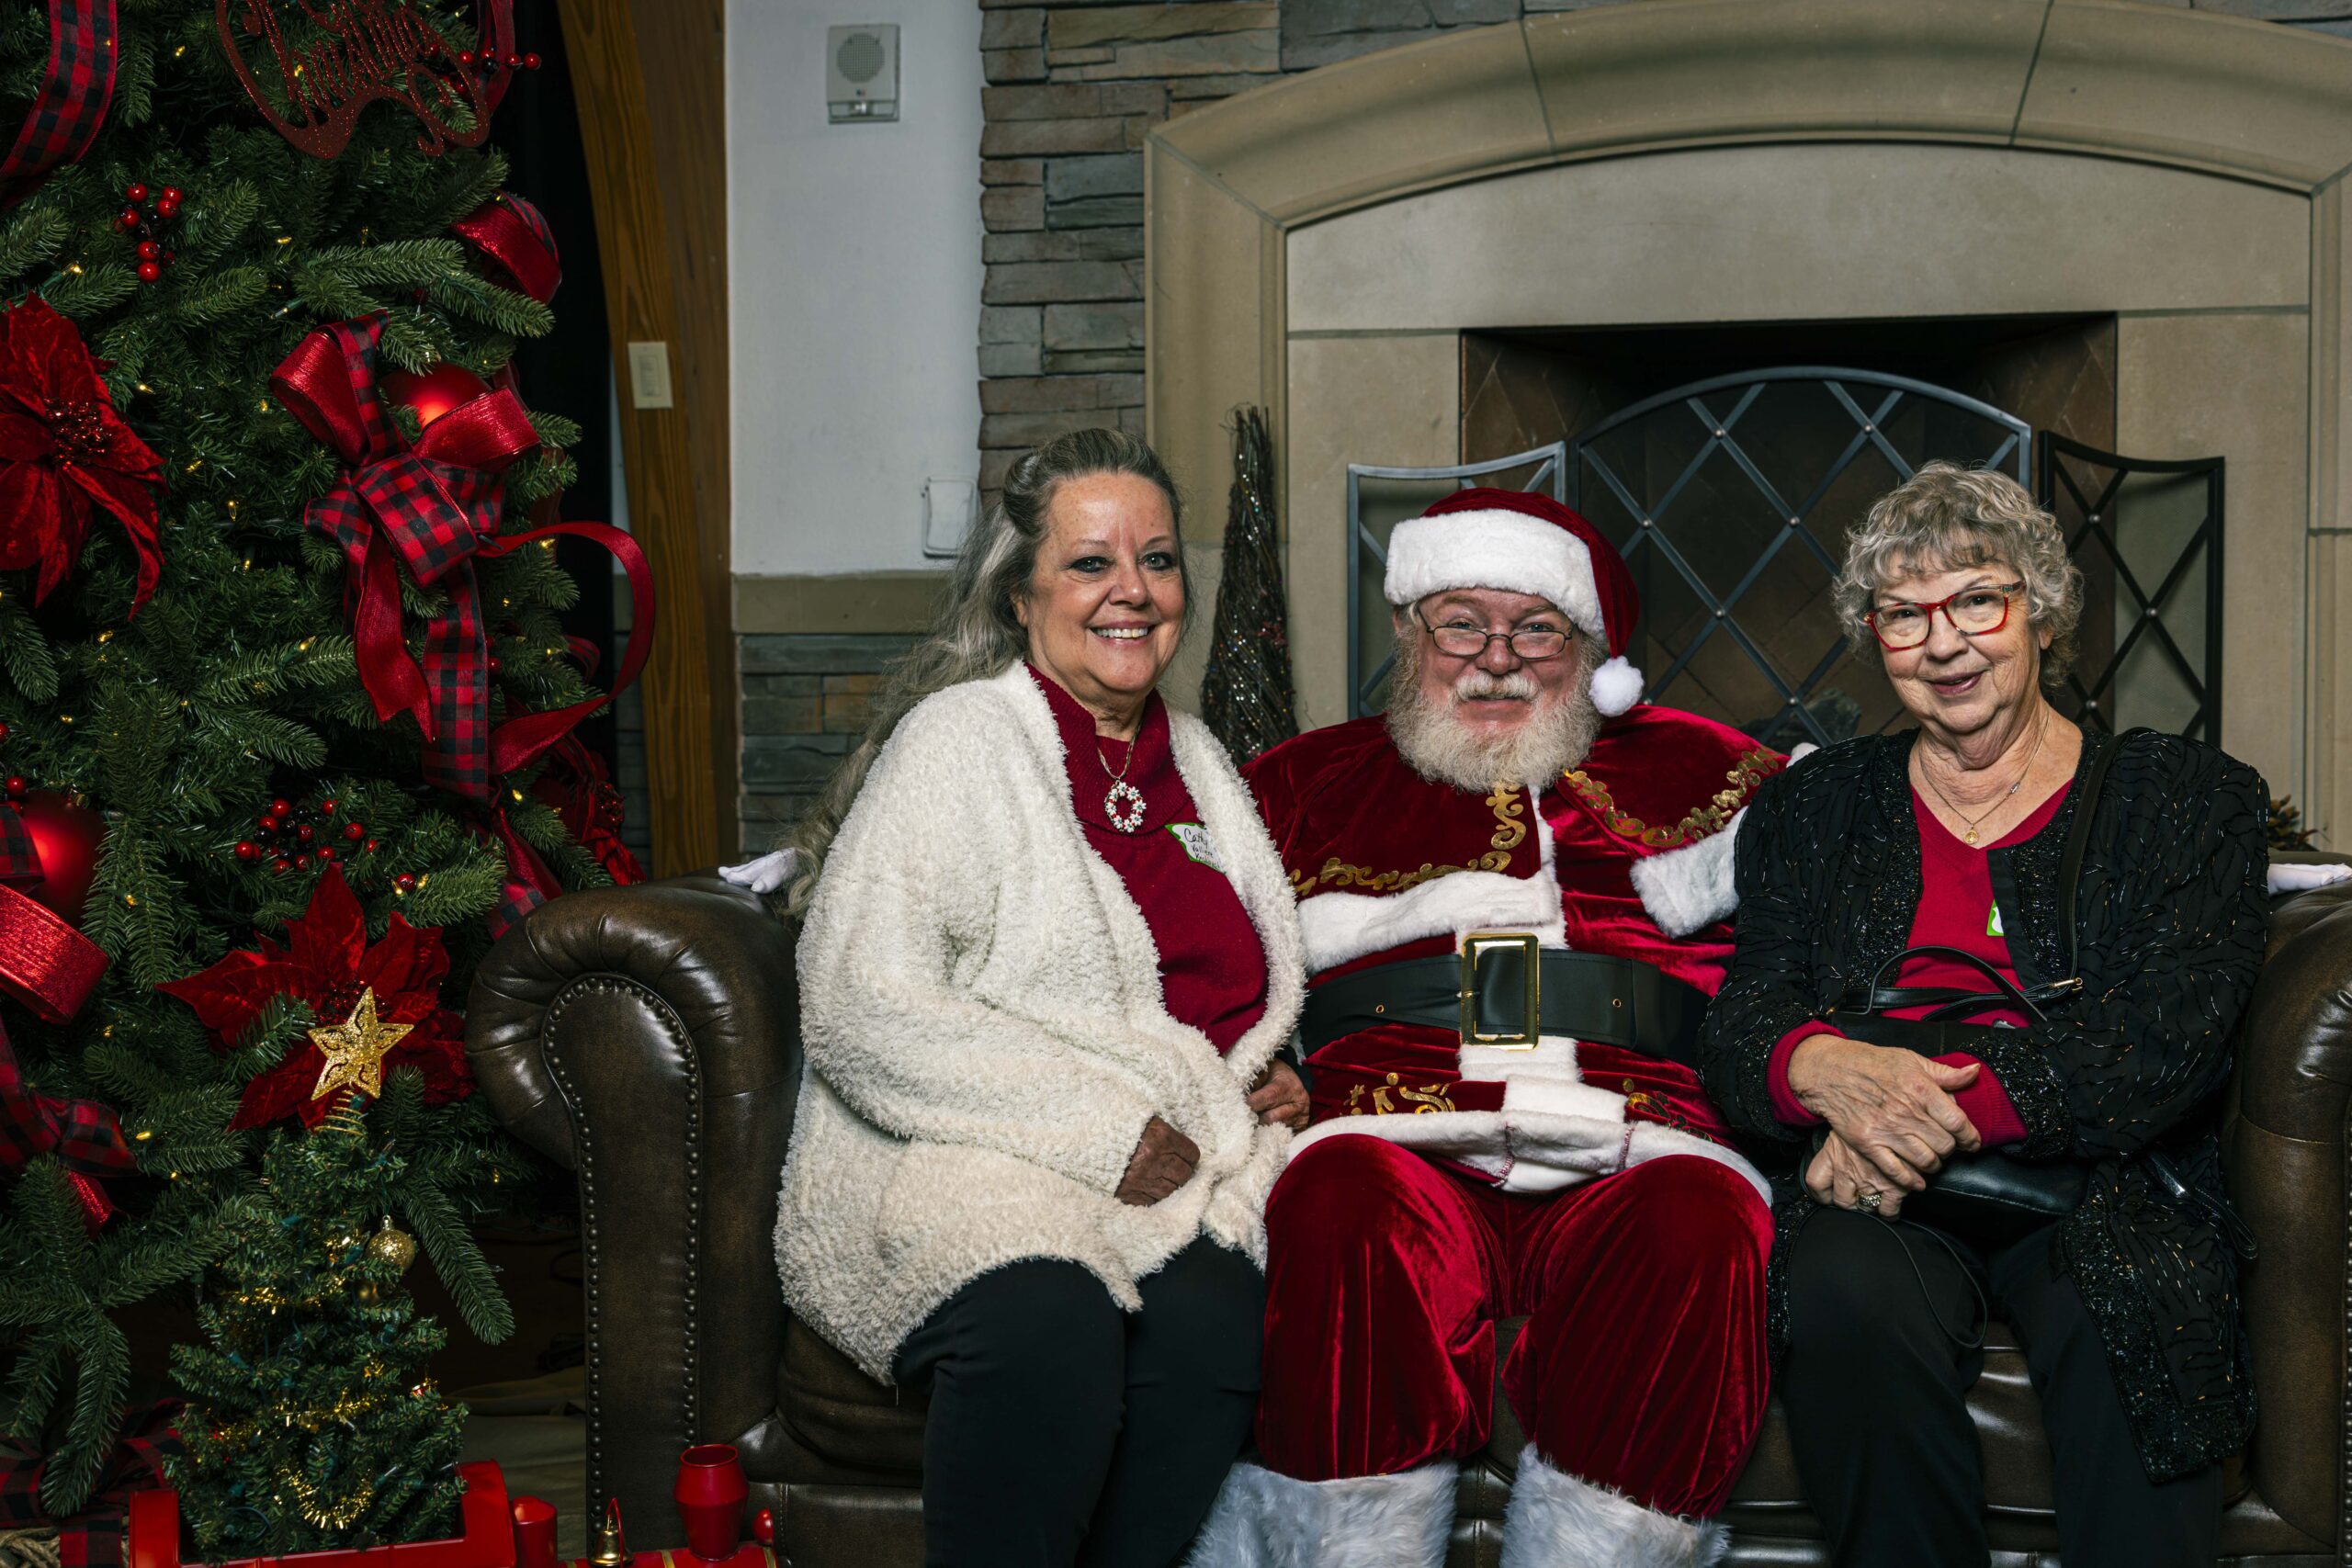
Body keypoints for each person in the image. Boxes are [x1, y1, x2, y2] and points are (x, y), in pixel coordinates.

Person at [1198, 488, 1793, 1568]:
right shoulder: (1297, 787)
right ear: (1407, 632)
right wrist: (1258, 1064)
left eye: (1536, 631)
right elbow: (1195, 967)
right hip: (1394, 1135)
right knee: (1338, 1201)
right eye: (1461, 625)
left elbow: (1824, 958)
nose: (1497, 661)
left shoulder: (1718, 778)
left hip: (1636, 1138)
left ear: (1591, 653)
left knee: (1701, 1220)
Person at [1699, 461, 2268, 1568]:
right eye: (1903, 615)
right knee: (1838, 1292)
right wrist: (1821, 1069)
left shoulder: (2183, 797)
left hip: (2104, 1182)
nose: (1943, 642)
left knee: (2132, 1311)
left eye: (1976, 600)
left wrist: (1912, 1113)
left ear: (2040, 613)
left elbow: (2169, 1036)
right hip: (1873, 1191)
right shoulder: (1814, 804)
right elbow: (1741, 1017)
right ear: (1875, 639)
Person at [771, 428, 1313, 1568]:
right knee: (1047, 1319)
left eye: (1156, 561)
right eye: (1089, 564)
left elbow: (1227, 986)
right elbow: (860, 1003)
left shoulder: (1196, 760)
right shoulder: (959, 743)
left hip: (1182, 1164)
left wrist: (1268, 1070)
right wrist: (1100, 1130)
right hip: (979, 1148)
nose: (1132, 592)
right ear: (1021, 598)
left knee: (1217, 1327)